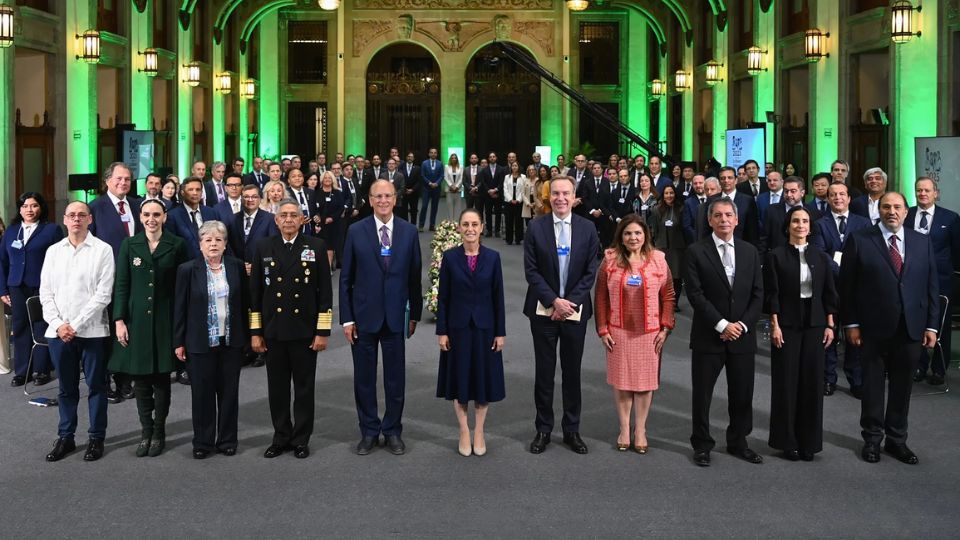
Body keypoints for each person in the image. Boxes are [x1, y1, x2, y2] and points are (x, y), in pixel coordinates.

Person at [841, 192, 939, 465]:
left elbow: (932, 287)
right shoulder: (860, 240)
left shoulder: (922, 241)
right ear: (878, 211)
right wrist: (851, 323)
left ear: (906, 212)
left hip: (911, 328)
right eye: (886, 207)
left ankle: (897, 441)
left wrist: (932, 325)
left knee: (902, 387)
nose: (891, 211)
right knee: (872, 386)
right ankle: (872, 440)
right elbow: (847, 288)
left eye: (897, 207)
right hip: (872, 328)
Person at [340, 180, 422, 456]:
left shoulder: (409, 232)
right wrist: (347, 319)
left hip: (396, 317)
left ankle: (393, 431)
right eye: (378, 196)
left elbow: (414, 277)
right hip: (363, 318)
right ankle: (369, 431)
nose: (384, 200)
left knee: (395, 379)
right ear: (370, 200)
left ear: (395, 199)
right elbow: (345, 279)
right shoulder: (355, 231)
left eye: (388, 196)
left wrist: (415, 315)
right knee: (364, 379)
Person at [523, 176, 600, 455]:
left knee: (572, 372)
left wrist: (569, 304)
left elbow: (591, 271)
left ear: (574, 196)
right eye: (555, 193)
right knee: (544, 373)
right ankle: (543, 429)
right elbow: (531, 271)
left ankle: (572, 430)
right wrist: (554, 301)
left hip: (575, 313)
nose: (560, 198)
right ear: (548, 196)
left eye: (566, 193)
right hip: (543, 311)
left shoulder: (588, 229)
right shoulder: (535, 227)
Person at [251, 200, 333, 459]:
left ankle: (301, 438)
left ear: (302, 219)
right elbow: (255, 293)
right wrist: (255, 331)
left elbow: (325, 294)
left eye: (293, 215)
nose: (288, 219)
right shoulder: (263, 246)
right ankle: (280, 436)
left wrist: (322, 332)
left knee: (304, 388)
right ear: (276, 220)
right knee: (277, 388)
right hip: (273, 331)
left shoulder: (315, 246)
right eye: (283, 215)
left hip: (304, 331)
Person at [685, 198, 764, 467]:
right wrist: (721, 325)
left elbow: (758, 294)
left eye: (728, 215)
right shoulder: (696, 251)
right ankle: (702, 444)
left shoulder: (750, 251)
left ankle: (738, 442)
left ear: (737, 219)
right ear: (709, 221)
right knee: (703, 394)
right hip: (709, 335)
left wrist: (741, 326)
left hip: (742, 335)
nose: (723, 220)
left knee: (742, 393)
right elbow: (695, 295)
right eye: (717, 215)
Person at [110, 199, 190, 457]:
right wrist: (119, 320)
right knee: (141, 379)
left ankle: (159, 430)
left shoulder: (177, 244)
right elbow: (121, 284)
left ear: (164, 216)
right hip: (137, 321)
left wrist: (182, 324)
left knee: (161, 379)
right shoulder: (129, 245)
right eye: (146, 215)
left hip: (166, 320)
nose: (151, 219)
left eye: (156, 214)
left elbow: (184, 286)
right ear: (140, 217)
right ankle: (145, 431)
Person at [40, 201, 116, 462]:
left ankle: (96, 437)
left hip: (92, 331)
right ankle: (66, 437)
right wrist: (60, 324)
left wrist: (76, 325)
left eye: (81, 215)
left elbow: (103, 295)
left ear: (90, 219)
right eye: (71, 215)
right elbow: (45, 293)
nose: (76, 219)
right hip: (59, 333)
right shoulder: (53, 251)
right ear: (64, 219)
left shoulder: (103, 250)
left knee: (96, 386)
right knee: (66, 388)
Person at [595, 216, 675, 454]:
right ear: (621, 236)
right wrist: (602, 329)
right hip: (618, 331)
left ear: (645, 236)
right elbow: (600, 296)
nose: (633, 238)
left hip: (649, 333)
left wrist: (666, 327)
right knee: (622, 383)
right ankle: (623, 428)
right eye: (628, 234)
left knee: (643, 384)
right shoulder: (609, 260)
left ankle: (640, 430)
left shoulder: (658, 260)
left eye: (638, 234)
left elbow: (669, 295)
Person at [763, 206, 838, 462]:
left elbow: (829, 293)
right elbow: (771, 294)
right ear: (788, 226)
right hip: (787, 324)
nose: (800, 225)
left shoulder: (820, 256)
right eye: (795, 221)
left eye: (805, 221)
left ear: (810, 226)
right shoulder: (776, 256)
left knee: (812, 383)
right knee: (786, 382)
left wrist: (830, 324)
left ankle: (809, 442)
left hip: (815, 323)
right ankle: (787, 442)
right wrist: (774, 324)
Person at [174, 221, 247, 459]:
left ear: (226, 244)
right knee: (202, 394)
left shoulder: (236, 267)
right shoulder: (187, 269)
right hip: (199, 343)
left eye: (218, 239)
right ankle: (202, 442)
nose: (213, 244)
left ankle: (227, 440)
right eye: (208, 240)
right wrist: (178, 341)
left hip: (231, 342)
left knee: (229, 394)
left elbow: (246, 303)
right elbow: (180, 308)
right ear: (200, 244)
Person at [436, 208, 506, 456]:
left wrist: (500, 332)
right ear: (458, 228)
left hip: (486, 328)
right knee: (461, 380)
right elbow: (443, 298)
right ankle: (464, 429)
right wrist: (442, 331)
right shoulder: (450, 257)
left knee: (482, 381)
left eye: (474, 224)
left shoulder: (493, 257)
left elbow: (499, 297)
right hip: (458, 329)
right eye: (465, 224)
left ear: (482, 227)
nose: (470, 229)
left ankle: (479, 431)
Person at [88, 162, 142, 402]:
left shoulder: (137, 205)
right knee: (108, 330)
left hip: (136, 277)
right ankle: (107, 379)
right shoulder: (95, 208)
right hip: (106, 279)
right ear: (107, 181)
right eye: (119, 179)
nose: (123, 183)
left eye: (127, 179)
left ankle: (125, 378)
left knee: (129, 326)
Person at [811, 182, 870, 397]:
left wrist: (851, 272)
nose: (838, 198)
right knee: (829, 336)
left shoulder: (863, 223)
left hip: (856, 289)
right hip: (831, 287)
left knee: (855, 335)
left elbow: (867, 252)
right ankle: (828, 379)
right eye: (833, 195)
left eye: (842, 194)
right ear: (828, 199)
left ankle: (856, 380)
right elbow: (820, 253)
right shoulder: (819, 224)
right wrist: (842, 270)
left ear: (849, 198)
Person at [0, 192, 64, 387]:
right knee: (20, 328)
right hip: (16, 286)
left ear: (41, 208)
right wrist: (3, 289)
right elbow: (2, 262)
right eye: (25, 206)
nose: (30, 210)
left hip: (42, 286)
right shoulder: (11, 231)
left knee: (42, 326)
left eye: (34, 205)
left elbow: (60, 261)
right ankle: (22, 371)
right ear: (19, 210)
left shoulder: (51, 230)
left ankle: (41, 370)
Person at [906, 177, 960, 387]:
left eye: (927, 190)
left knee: (942, 326)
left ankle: (939, 369)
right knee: (916, 324)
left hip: (942, 280)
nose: (923, 194)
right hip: (912, 279)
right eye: (919, 190)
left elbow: (957, 251)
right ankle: (919, 366)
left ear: (935, 193)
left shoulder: (951, 218)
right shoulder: (907, 215)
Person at [649, 184, 687, 306]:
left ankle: (674, 303)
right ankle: (661, 301)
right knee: (661, 276)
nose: (669, 195)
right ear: (663, 195)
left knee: (676, 276)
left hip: (677, 248)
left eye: (671, 193)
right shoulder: (656, 209)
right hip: (661, 246)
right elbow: (653, 228)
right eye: (666, 193)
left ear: (675, 194)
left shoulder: (681, 209)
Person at [166, 177, 218, 261]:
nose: (195, 193)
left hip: (211, 263)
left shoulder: (211, 212)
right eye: (191, 190)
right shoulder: (172, 216)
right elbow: (172, 246)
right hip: (186, 266)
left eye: (198, 190)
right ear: (182, 193)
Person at [314, 171, 345, 268]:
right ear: (322, 180)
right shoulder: (316, 193)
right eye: (325, 178)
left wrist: (332, 218)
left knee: (330, 247)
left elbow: (341, 208)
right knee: (320, 246)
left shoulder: (338, 193)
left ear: (333, 180)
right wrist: (319, 218)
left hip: (334, 224)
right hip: (320, 224)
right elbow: (314, 208)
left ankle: (327, 269)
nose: (327, 179)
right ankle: (321, 268)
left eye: (329, 178)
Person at [479, 152, 505, 237]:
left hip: (498, 194)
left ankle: (497, 230)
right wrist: (489, 191)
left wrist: (496, 190)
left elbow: (502, 182)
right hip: (488, 195)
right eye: (490, 157)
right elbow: (483, 182)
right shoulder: (484, 169)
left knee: (498, 212)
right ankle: (489, 230)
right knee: (488, 212)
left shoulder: (501, 169)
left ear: (496, 158)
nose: (492, 158)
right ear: (489, 159)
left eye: (494, 156)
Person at [502, 161, 527, 245]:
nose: (514, 167)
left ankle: (518, 239)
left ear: (518, 167)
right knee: (508, 221)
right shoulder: (507, 177)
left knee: (519, 221)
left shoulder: (523, 177)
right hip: (508, 202)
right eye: (513, 166)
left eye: (516, 166)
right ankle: (509, 239)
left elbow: (524, 190)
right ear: (511, 167)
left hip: (519, 202)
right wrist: (510, 199)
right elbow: (505, 189)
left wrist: (518, 199)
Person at [443, 153, 464, 222]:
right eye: (452, 158)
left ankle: (456, 223)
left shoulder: (461, 167)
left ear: (457, 159)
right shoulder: (446, 167)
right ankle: (450, 223)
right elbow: (446, 177)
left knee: (458, 207)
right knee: (449, 207)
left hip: (458, 190)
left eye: (455, 158)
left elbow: (461, 178)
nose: (454, 159)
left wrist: (457, 186)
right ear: (450, 159)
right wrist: (451, 186)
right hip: (449, 190)